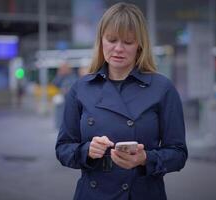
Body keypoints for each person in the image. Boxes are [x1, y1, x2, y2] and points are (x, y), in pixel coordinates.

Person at [55, 3, 187, 200]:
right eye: (111, 39)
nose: (118, 48)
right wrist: (87, 150)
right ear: (101, 41)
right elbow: (63, 148)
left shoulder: (162, 88)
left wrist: (146, 159)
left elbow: (178, 154)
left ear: (140, 45)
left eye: (128, 42)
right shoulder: (80, 88)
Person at [52, 61, 78, 129]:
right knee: (60, 115)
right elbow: (55, 84)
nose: (63, 70)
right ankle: (59, 127)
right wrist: (59, 75)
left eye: (65, 68)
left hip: (70, 101)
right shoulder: (61, 76)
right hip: (62, 102)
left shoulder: (73, 77)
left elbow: (74, 87)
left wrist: (67, 90)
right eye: (62, 68)